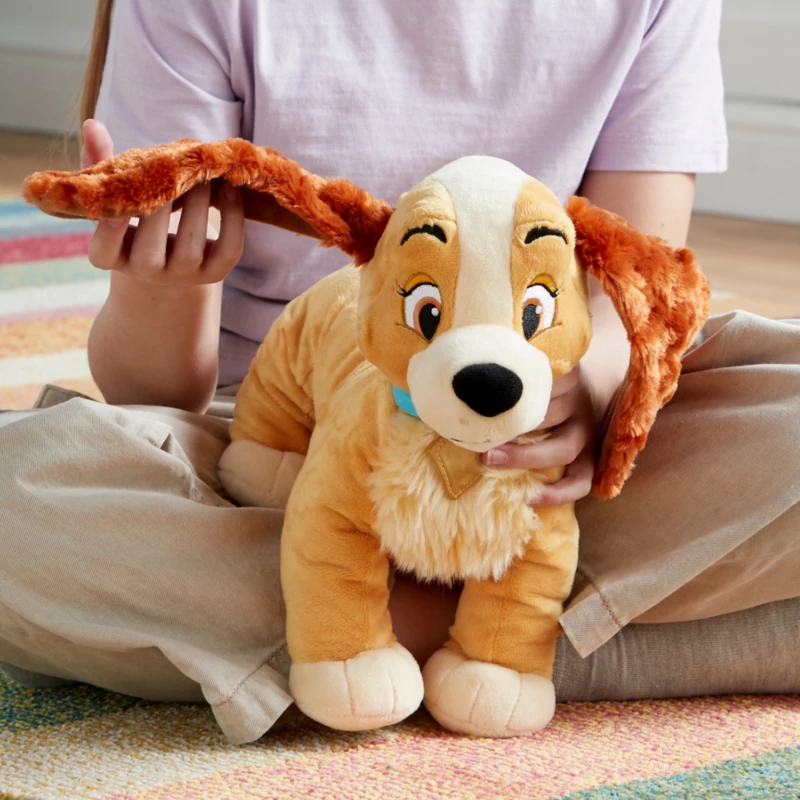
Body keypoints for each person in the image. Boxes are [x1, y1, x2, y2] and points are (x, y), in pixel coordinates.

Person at [1, 0, 798, 744]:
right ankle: (549, 640)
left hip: (543, 444)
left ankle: (353, 629)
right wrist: (158, 288)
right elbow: (154, 396)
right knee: (21, 495)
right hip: (277, 451)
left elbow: (634, 298)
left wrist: (588, 395)